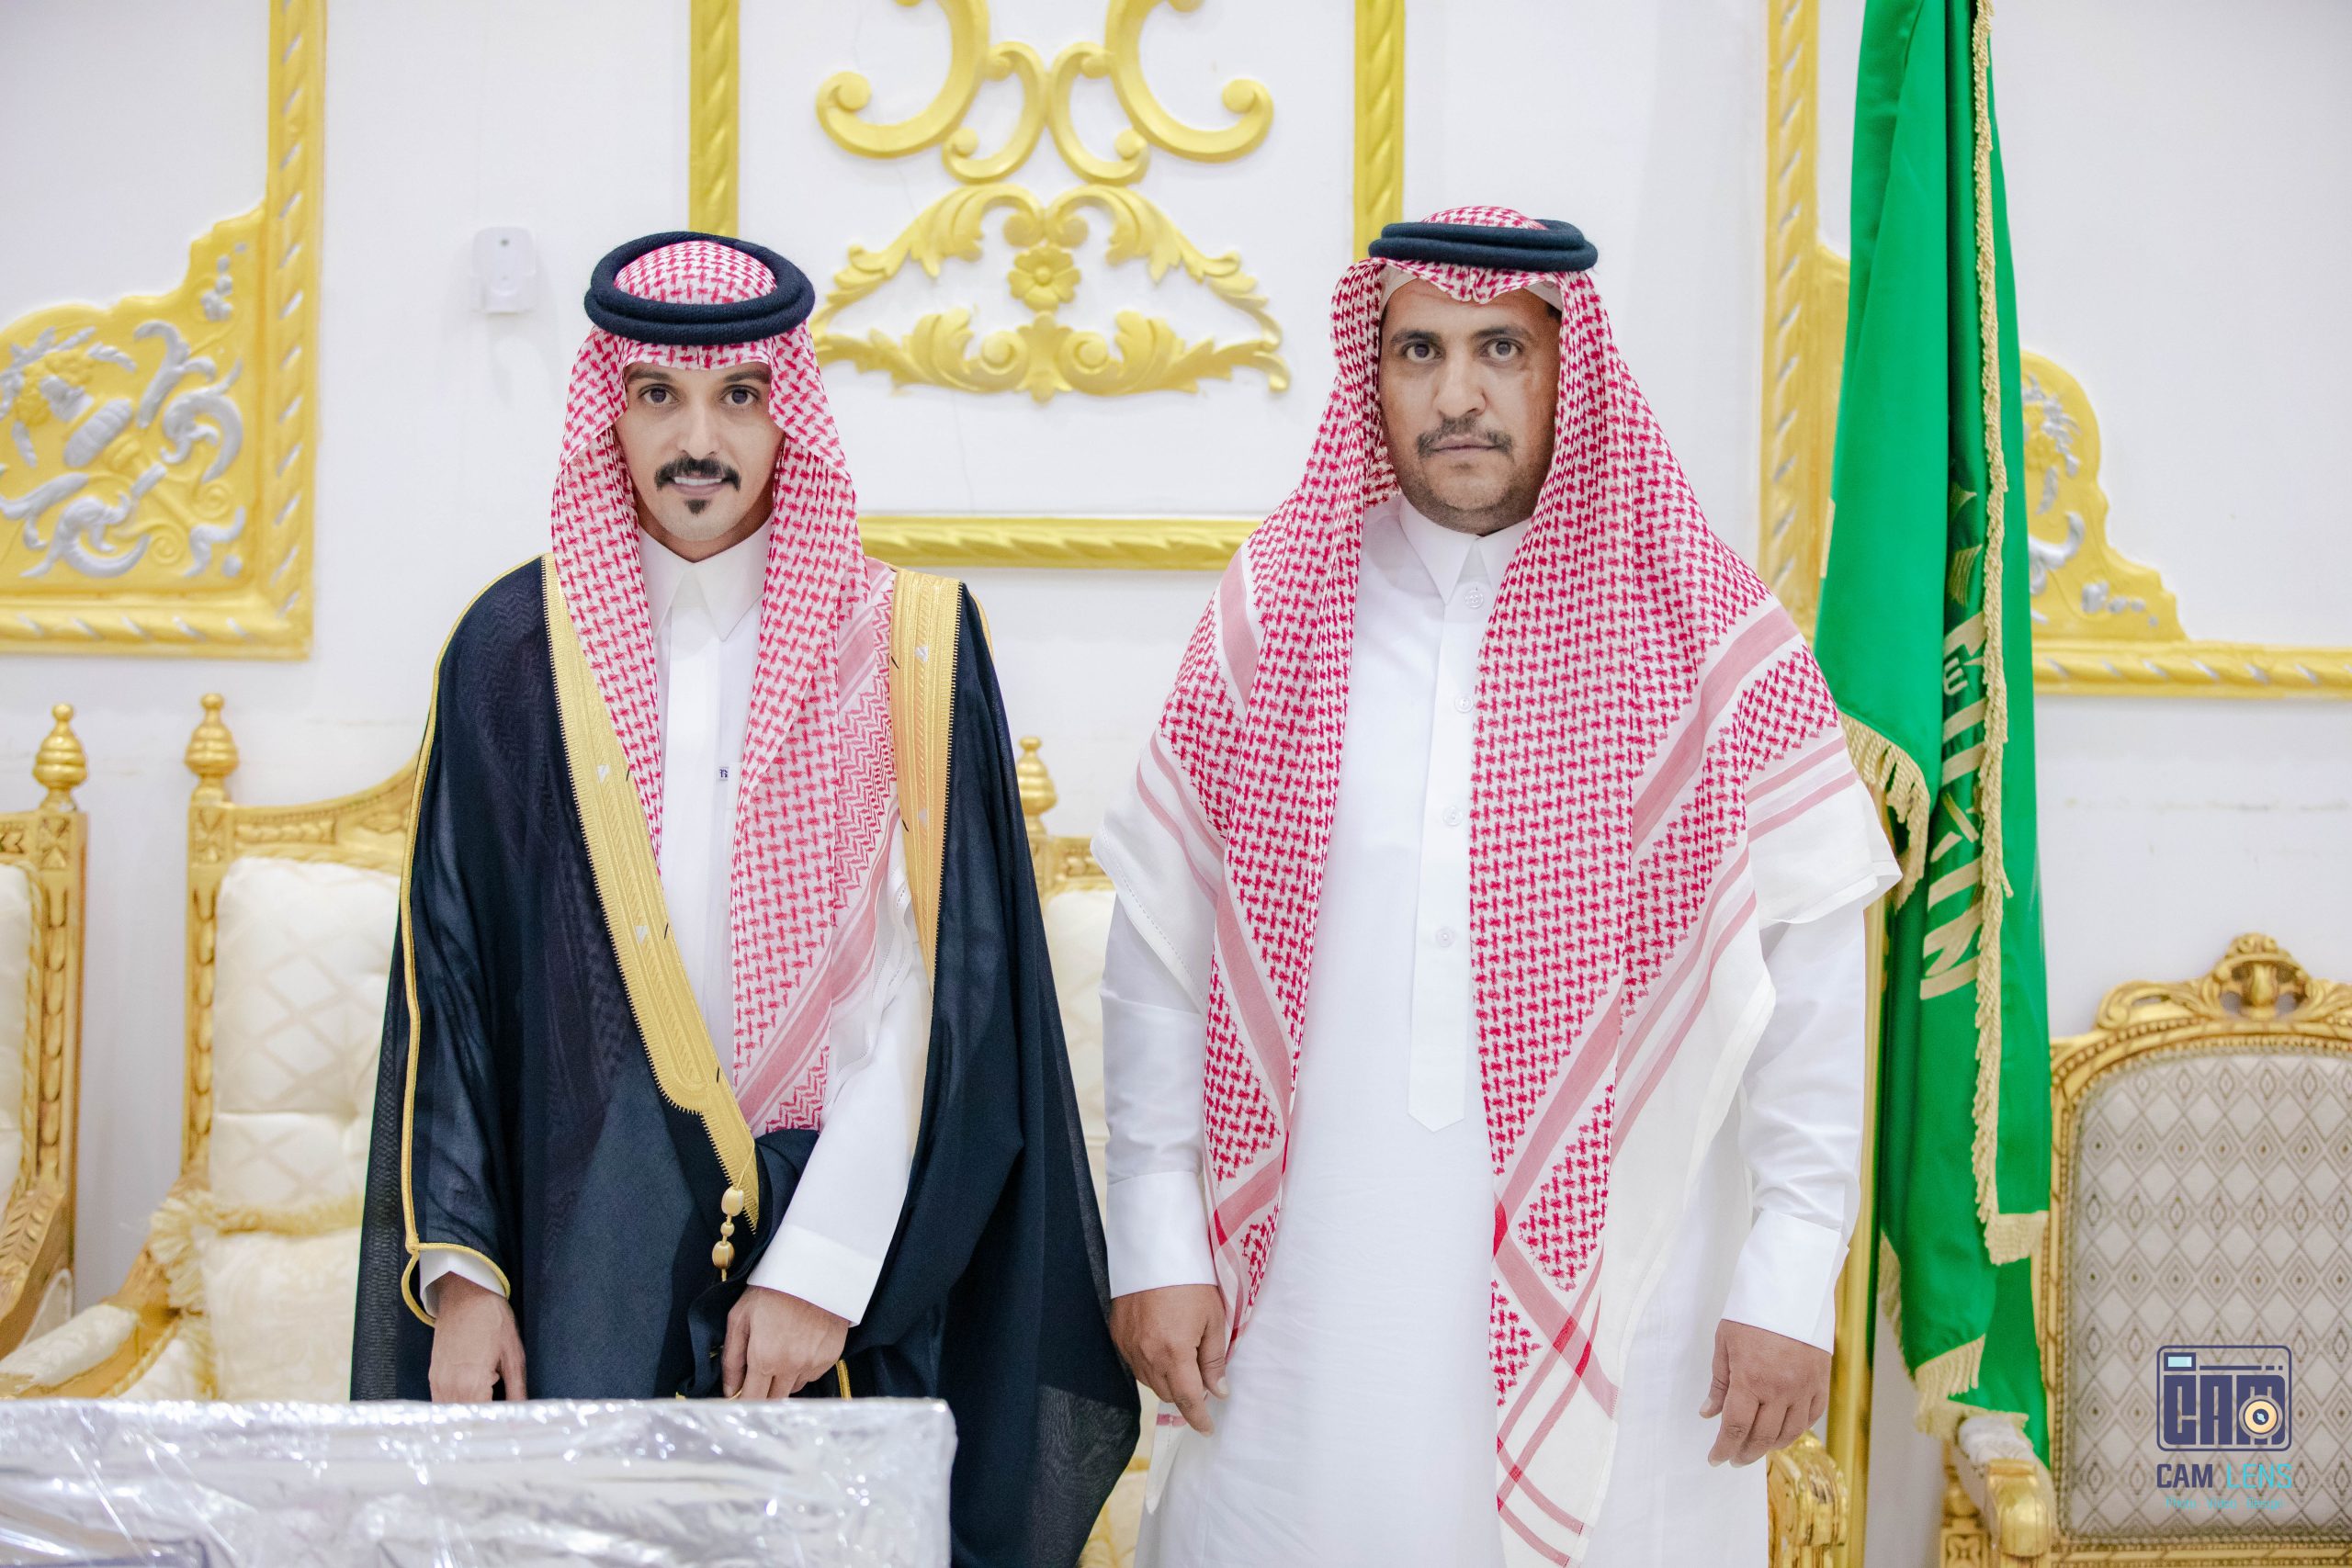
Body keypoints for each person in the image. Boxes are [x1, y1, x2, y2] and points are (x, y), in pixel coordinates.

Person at [1094, 208, 1900, 1566]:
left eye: (1500, 350)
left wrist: (1790, 1273)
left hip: (1633, 1304)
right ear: (1375, 371)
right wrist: (1159, 1238)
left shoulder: (1706, 631)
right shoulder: (1278, 611)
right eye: (1420, 350)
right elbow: (1161, 964)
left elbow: (1811, 992)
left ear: (1568, 367)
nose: (1457, 393)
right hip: (1304, 1306)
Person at [351, 231, 1136, 1568]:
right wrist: (466, 1278)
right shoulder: (511, 653)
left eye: (740, 396)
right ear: (609, 410)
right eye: (658, 395)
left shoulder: (908, 647)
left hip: (850, 1275)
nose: (698, 440)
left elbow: (937, 1000)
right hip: (583, 1261)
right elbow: (454, 982)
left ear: (790, 413)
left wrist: (821, 1272)